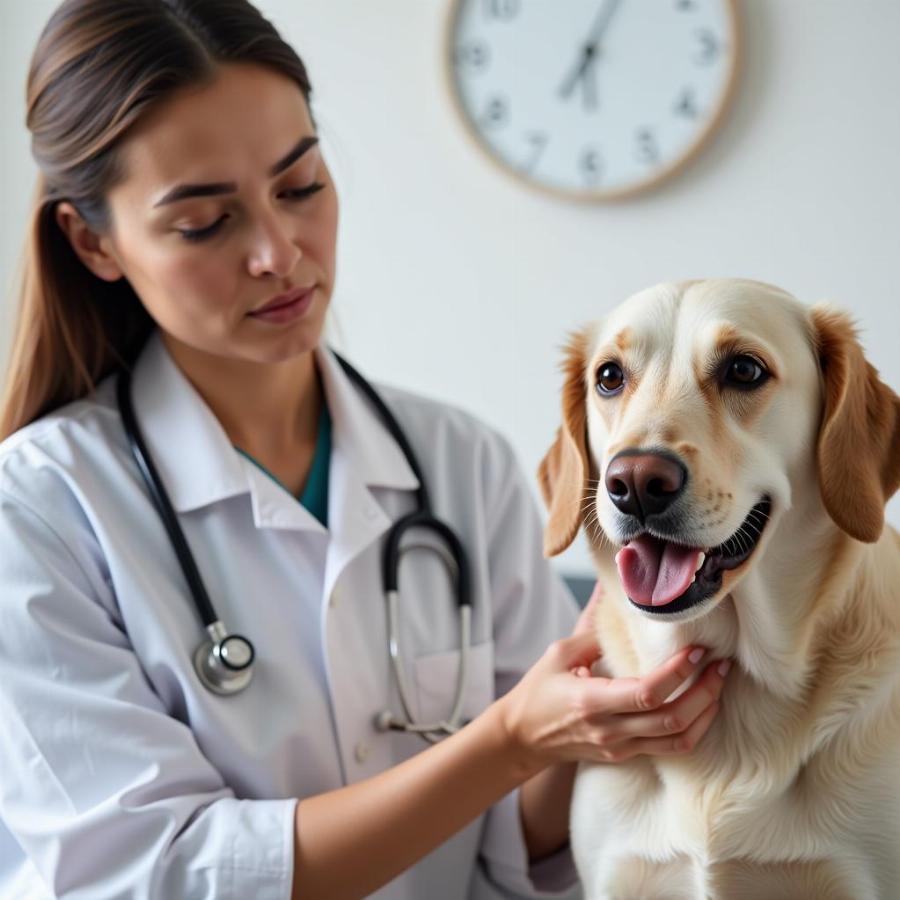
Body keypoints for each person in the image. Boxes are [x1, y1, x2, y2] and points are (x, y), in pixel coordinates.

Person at [0, 2, 730, 897]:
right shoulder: (36, 508)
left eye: (300, 185)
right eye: (204, 223)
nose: (278, 250)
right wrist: (509, 741)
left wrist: (603, 707)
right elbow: (162, 872)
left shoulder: (459, 461)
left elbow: (519, 838)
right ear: (93, 242)